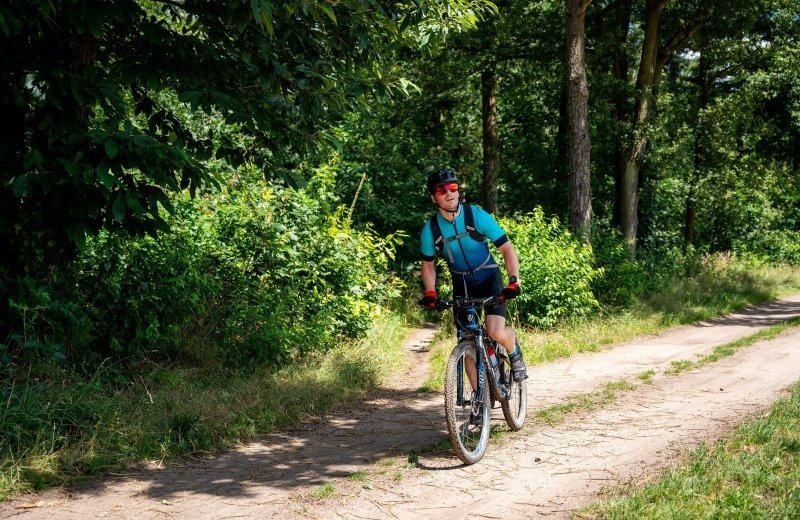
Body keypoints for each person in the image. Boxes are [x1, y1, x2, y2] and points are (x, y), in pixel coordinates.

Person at [418, 167, 527, 383]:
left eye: (453, 187)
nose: (449, 193)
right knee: (467, 341)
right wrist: (431, 292)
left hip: (489, 278)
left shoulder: (476, 215)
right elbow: (428, 265)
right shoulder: (430, 230)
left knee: (495, 331)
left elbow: (507, 249)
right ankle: (479, 406)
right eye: (441, 190)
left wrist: (514, 280)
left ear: (458, 191)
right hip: (463, 284)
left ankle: (514, 352)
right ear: (434, 198)